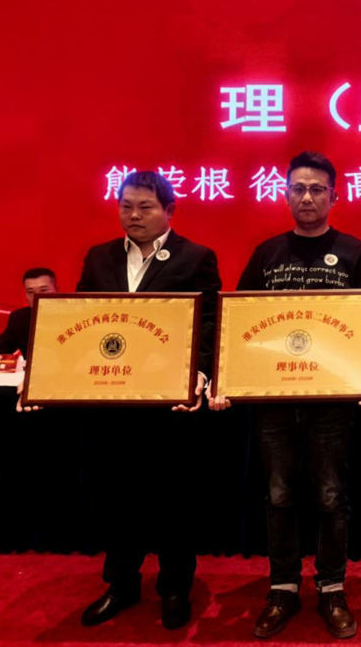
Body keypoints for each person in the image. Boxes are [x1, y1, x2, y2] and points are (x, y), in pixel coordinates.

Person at [210, 151, 361, 640]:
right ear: (285, 194)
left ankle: (332, 587)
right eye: (298, 188)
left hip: (332, 403)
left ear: (334, 196)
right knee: (279, 495)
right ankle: (283, 587)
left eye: (317, 189)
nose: (307, 197)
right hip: (275, 401)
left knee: (330, 496)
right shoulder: (267, 253)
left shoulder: (354, 252)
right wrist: (228, 379)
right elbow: (240, 325)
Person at [59, 170, 221, 630]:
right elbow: (81, 320)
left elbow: (209, 324)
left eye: (145, 207)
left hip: (170, 403)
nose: (134, 215)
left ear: (169, 211)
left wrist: (198, 377)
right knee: (117, 496)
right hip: (113, 401)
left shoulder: (196, 257)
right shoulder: (100, 257)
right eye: (126, 206)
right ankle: (121, 583)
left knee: (174, 499)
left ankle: (175, 587)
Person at [0, 267, 57, 356]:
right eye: (31, 292)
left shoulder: (71, 314)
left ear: (56, 290)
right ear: (25, 296)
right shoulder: (19, 318)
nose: (37, 296)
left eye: (43, 290)